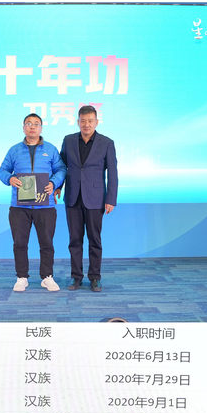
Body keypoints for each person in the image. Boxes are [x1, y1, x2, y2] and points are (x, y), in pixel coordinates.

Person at [0, 113, 66, 292]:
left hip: (45, 205)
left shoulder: (50, 149)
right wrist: (10, 178)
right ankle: (22, 277)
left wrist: (53, 183)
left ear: (41, 128)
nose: (32, 126)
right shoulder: (14, 150)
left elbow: (61, 169)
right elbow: (2, 170)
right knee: (20, 243)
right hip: (19, 206)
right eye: (29, 123)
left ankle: (47, 277)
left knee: (47, 243)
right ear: (23, 127)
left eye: (36, 124)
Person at [60, 106, 118, 291]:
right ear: (78, 122)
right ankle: (75, 277)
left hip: (95, 198)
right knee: (74, 240)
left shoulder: (107, 143)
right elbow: (61, 167)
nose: (86, 124)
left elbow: (113, 173)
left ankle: (95, 277)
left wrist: (111, 199)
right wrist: (58, 187)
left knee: (95, 240)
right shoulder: (68, 140)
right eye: (83, 121)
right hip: (72, 197)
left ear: (96, 122)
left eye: (90, 121)